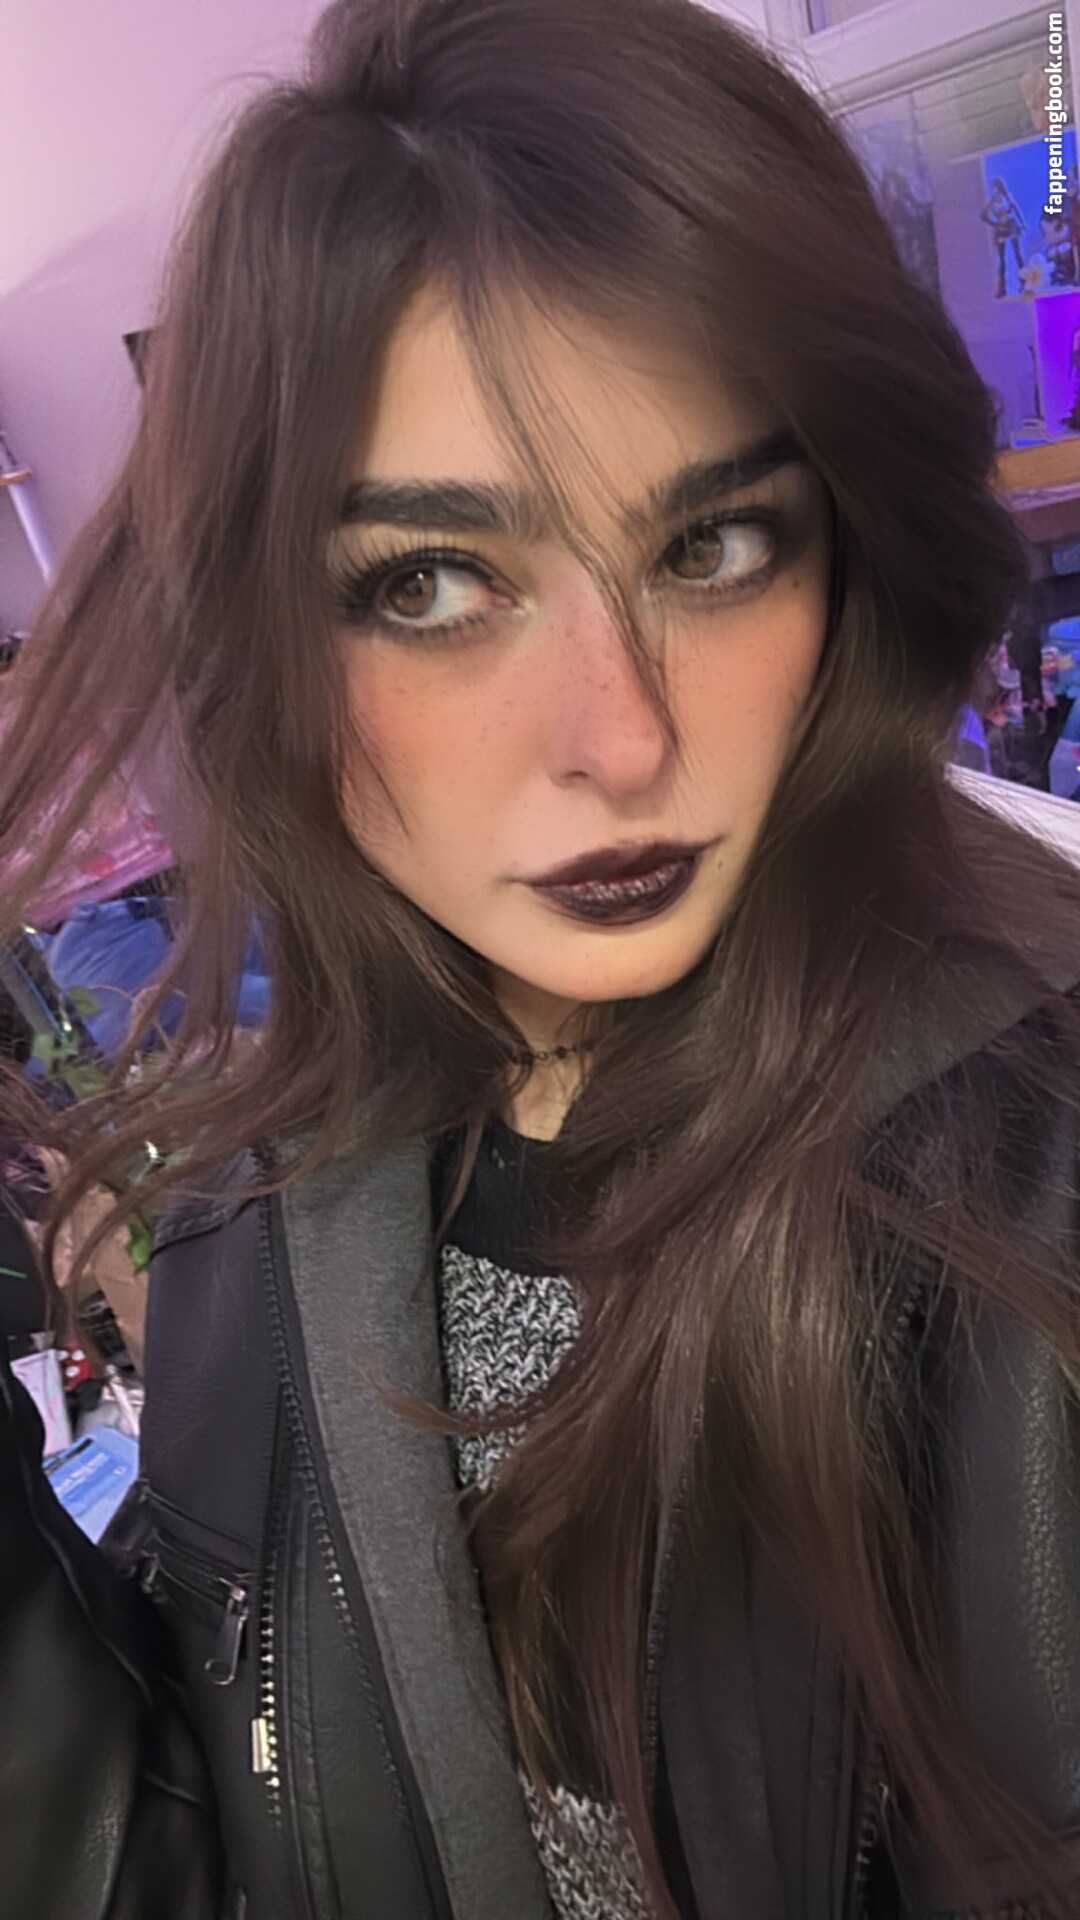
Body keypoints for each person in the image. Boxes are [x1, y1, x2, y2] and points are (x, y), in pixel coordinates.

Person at [2, 0, 1080, 1915]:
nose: (620, 737)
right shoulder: (259, 1218)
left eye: (712, 546)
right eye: (434, 583)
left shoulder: (1028, 1185)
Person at [980, 175, 1026, 297]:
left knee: (1018, 255)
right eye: (994, 187)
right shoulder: (992, 200)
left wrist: (1022, 223)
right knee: (1002, 258)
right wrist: (993, 223)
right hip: (1000, 229)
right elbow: (983, 215)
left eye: (996, 187)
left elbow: (1016, 209)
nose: (995, 189)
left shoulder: (1007, 196)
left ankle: (1024, 282)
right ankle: (1002, 287)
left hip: (1010, 226)